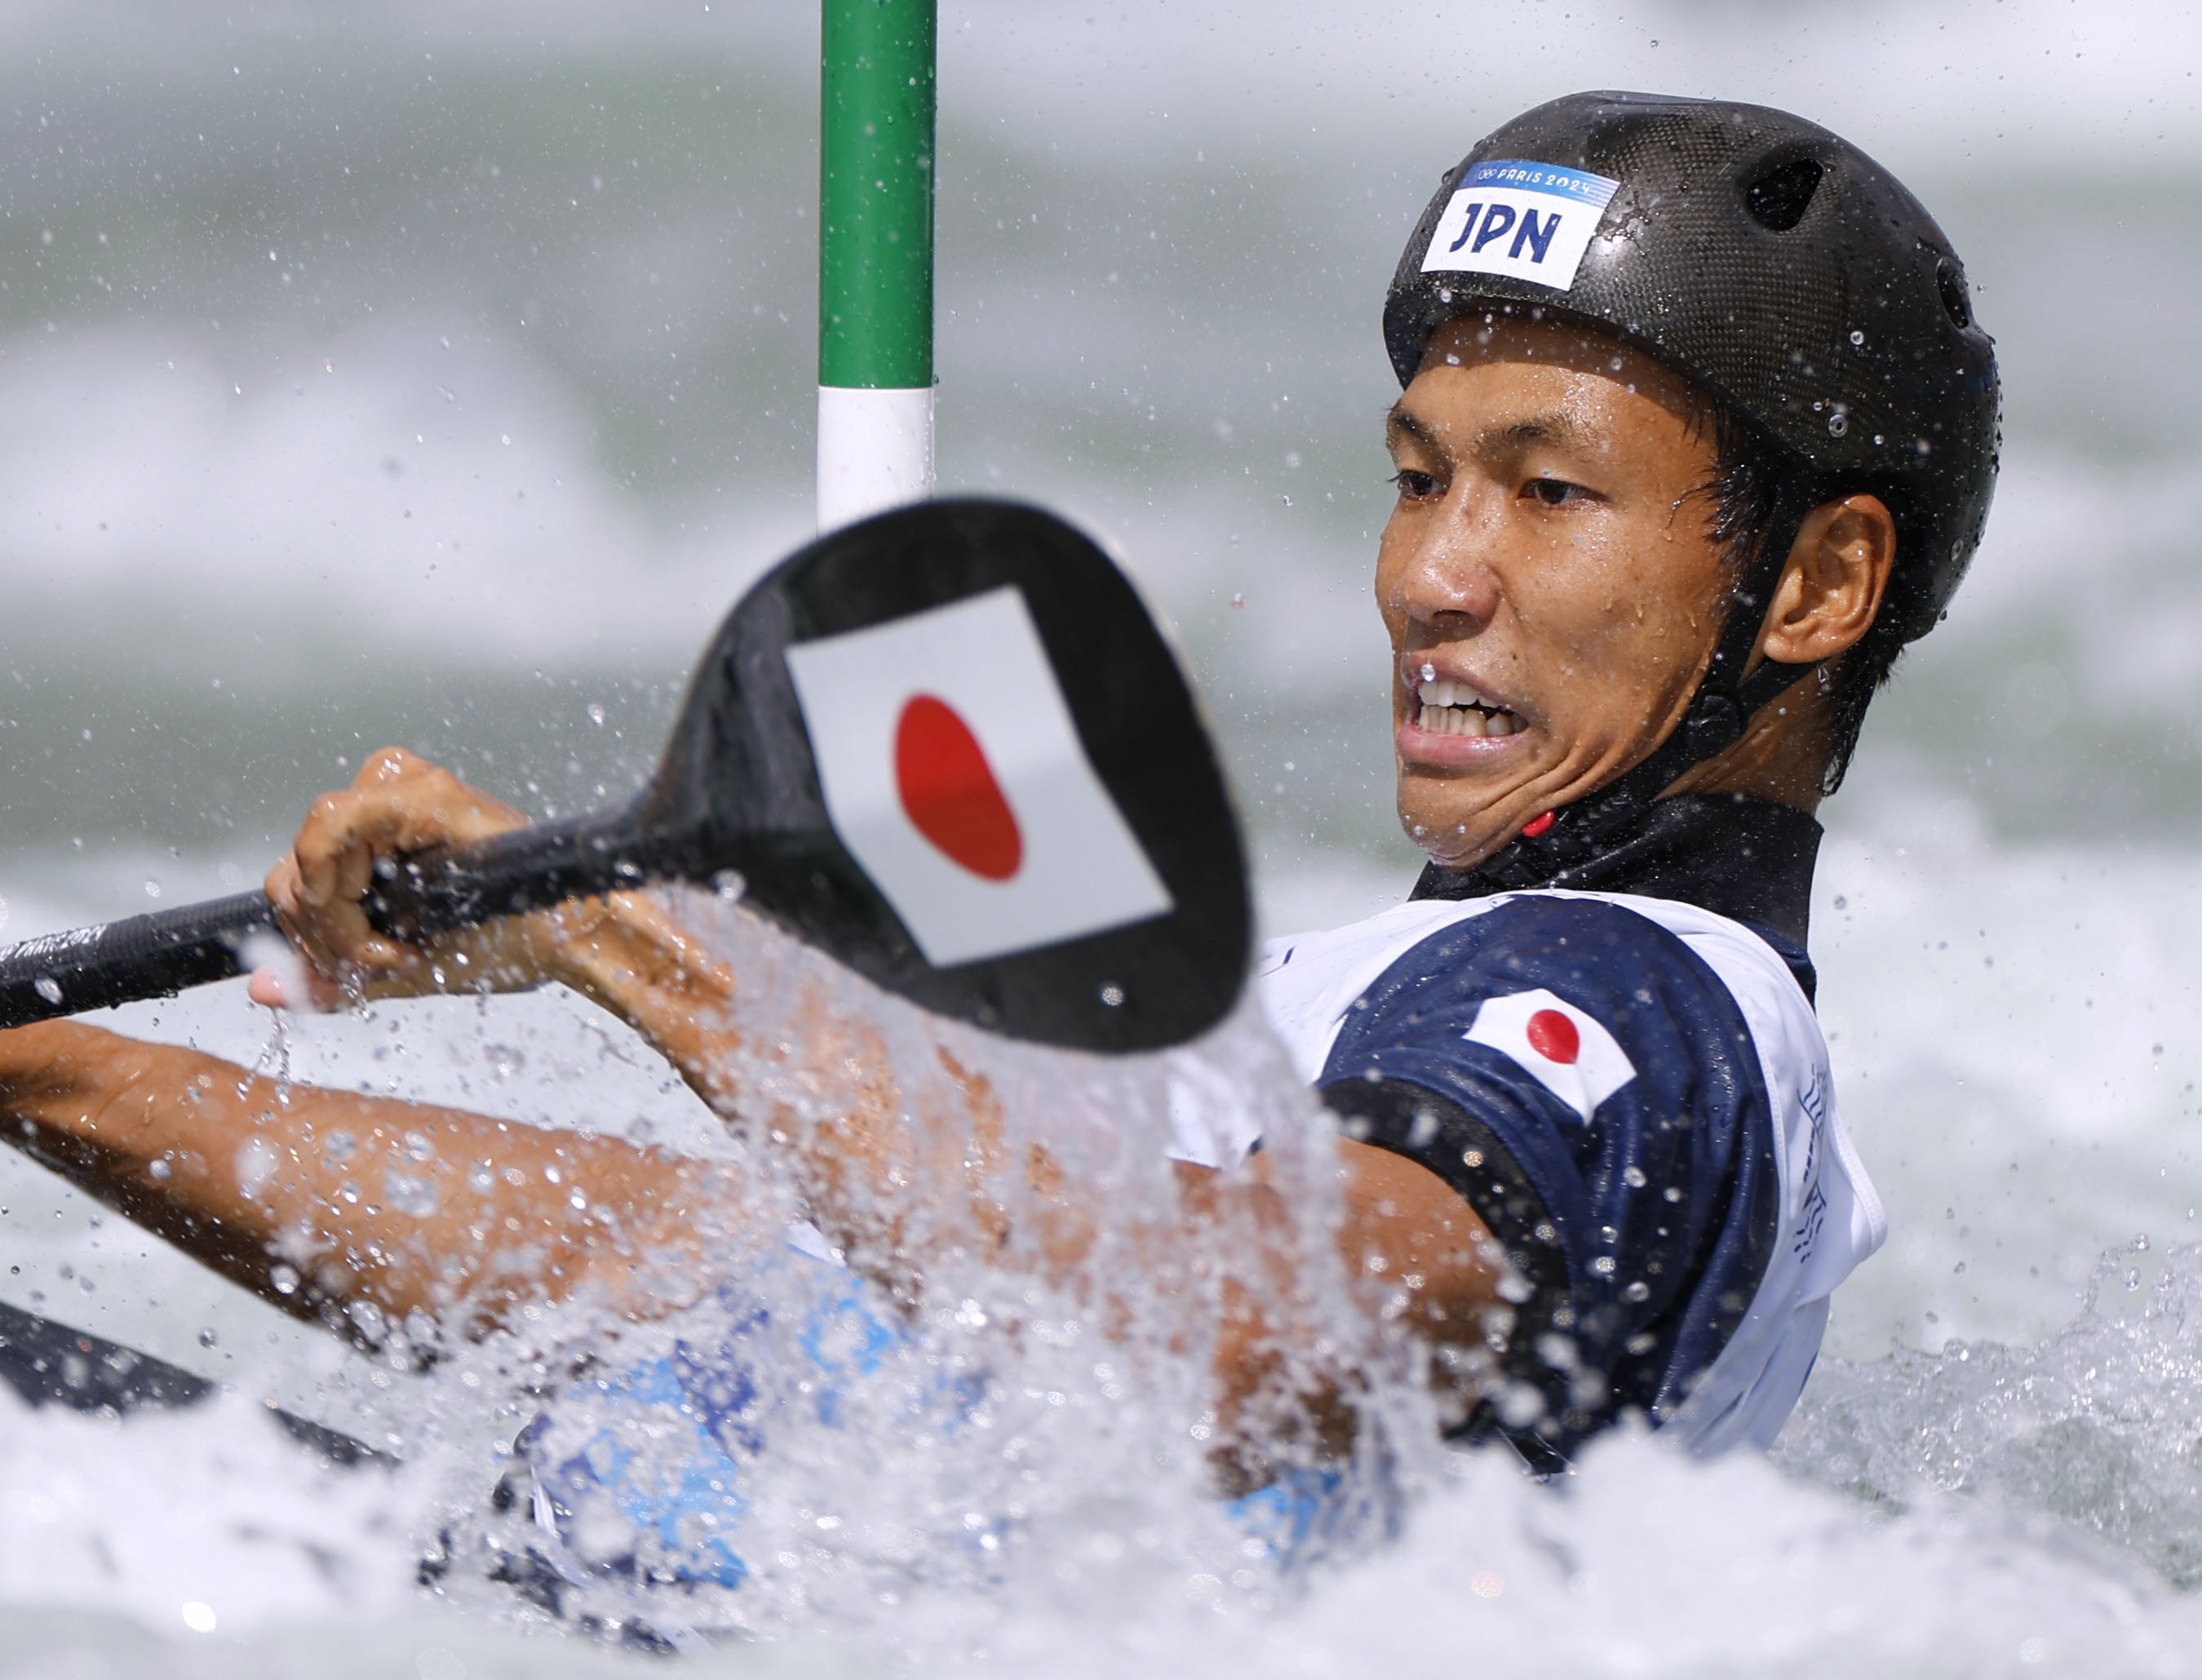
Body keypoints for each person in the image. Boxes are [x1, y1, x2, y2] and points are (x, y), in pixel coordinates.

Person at [0, 87, 1995, 1565]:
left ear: (1816, 584)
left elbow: (1222, 1346)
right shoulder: (1407, 993)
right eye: (1415, 477)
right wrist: (52, 1078)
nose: (1428, 581)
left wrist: (623, 932)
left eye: (1544, 494)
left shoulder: (1633, 1013)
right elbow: (708, 1275)